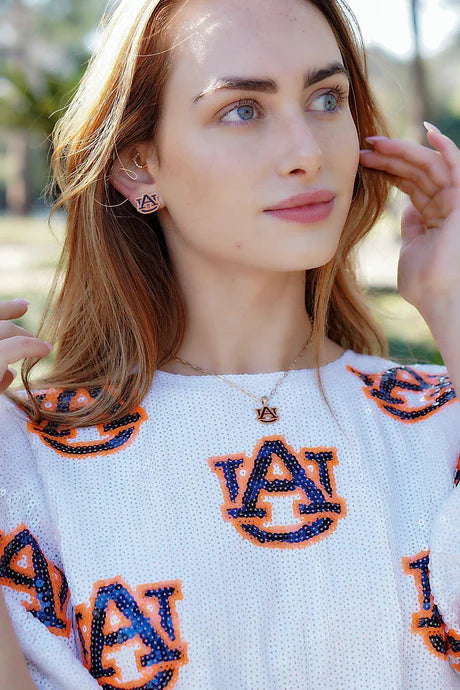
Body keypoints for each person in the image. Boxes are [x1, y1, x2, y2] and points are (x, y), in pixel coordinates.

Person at [1, 0, 460, 687]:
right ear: (138, 167)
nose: (308, 152)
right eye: (243, 109)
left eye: (327, 98)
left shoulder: (441, 419)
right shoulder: (30, 459)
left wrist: (453, 301)